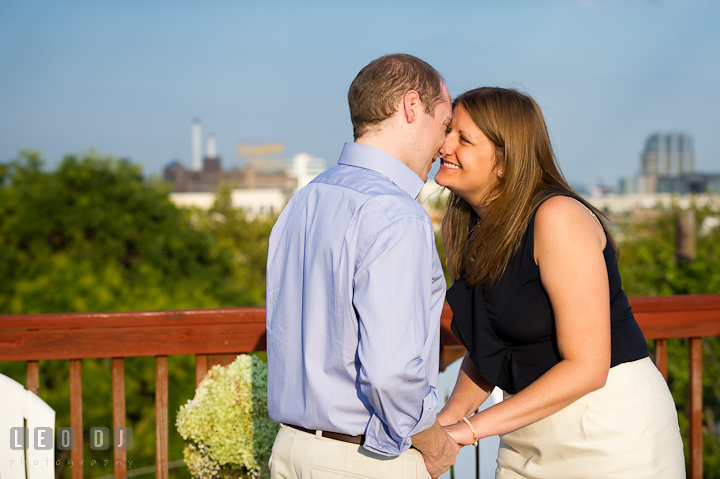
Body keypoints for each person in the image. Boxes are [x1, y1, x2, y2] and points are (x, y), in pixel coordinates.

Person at [434, 87, 685, 478]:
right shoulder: (469, 228)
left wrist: (466, 431)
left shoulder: (557, 217)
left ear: (505, 161)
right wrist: (444, 423)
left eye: (462, 138)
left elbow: (587, 367)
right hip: (523, 434)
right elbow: (492, 348)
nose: (443, 146)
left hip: (607, 433)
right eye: (447, 131)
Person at [265, 54, 459, 479]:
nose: (445, 146)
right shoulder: (395, 213)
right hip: (360, 462)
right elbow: (390, 373)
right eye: (444, 124)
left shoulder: (307, 198)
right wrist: (436, 444)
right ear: (411, 107)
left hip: (289, 450)